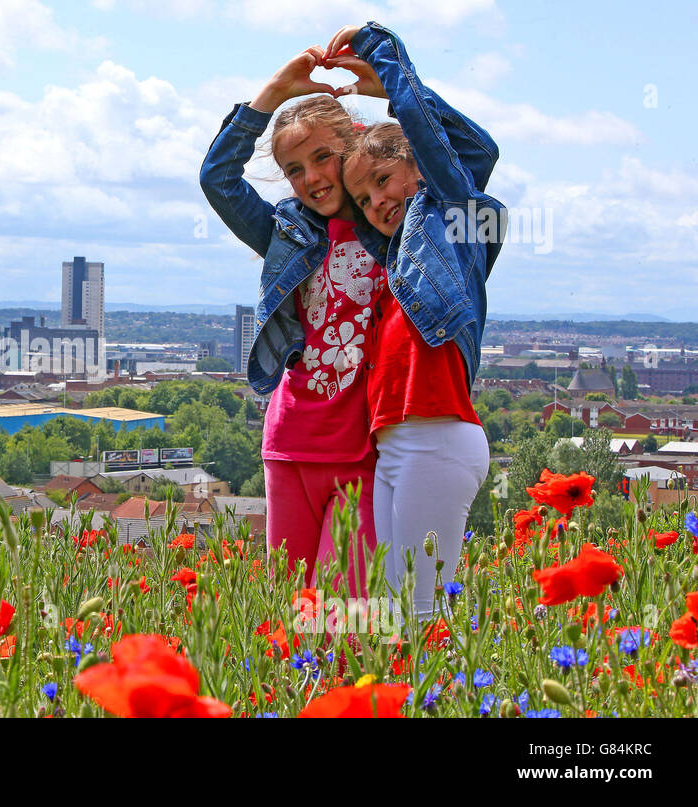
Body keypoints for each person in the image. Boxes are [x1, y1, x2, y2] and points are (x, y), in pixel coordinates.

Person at [324, 22, 505, 619]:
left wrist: (387, 63)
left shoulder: (451, 223)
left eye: (383, 180)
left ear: (420, 169)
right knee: (399, 613)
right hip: (396, 445)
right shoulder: (393, 259)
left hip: (437, 436)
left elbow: (477, 150)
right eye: (364, 197)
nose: (376, 202)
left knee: (424, 615)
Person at [199, 48, 387, 595]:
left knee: (349, 614)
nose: (312, 179)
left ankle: (359, 684)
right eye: (294, 170)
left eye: (324, 158)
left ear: (353, 147)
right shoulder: (286, 233)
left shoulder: (398, 229)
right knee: (295, 610)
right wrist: (275, 92)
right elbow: (218, 179)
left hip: (364, 455)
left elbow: (465, 164)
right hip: (289, 445)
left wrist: (392, 93)